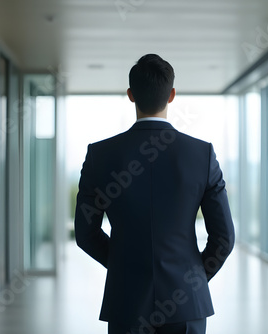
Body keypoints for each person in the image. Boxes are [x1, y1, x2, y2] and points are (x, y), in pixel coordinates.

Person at [75, 54, 235, 334]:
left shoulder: (100, 155)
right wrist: (192, 279)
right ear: (172, 95)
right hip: (187, 304)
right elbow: (224, 237)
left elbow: (86, 233)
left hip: (126, 303)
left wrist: (124, 264)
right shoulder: (202, 155)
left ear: (130, 95)